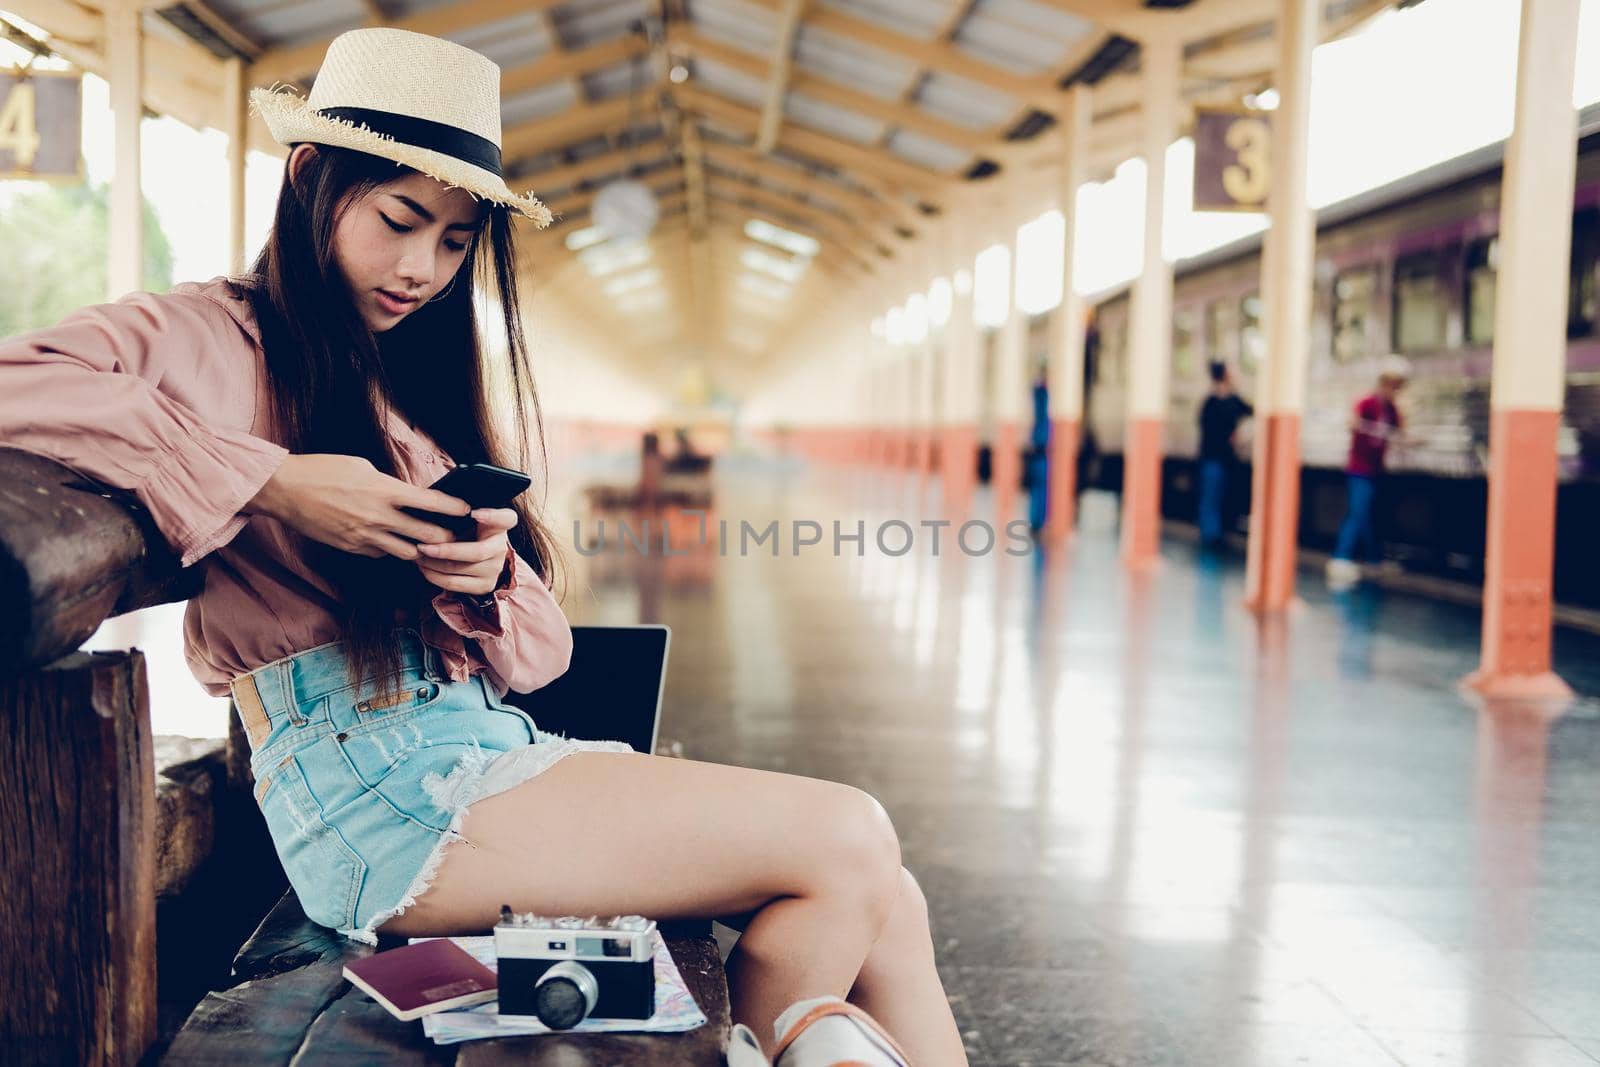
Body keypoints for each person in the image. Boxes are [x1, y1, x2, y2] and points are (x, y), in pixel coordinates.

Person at [0, 29, 965, 1065]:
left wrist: (484, 575)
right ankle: (783, 1038)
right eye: (400, 219)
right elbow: (19, 381)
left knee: (886, 891)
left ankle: (779, 1038)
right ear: (312, 180)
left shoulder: (410, 387)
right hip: (377, 802)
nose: (421, 267)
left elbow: (538, 660)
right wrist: (272, 482)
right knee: (851, 836)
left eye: (456, 241)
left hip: (475, 753)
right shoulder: (207, 334)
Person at [1326, 355, 1411, 590]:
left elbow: (1401, 432)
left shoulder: (1391, 409)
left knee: (1372, 515)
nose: (1395, 390)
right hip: (1359, 469)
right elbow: (1351, 421)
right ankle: (1341, 559)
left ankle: (1374, 560)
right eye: (1393, 384)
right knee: (1358, 512)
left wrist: (1408, 439)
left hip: (1376, 469)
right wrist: (1367, 427)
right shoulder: (1366, 403)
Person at [1195, 360, 1253, 549]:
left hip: (1225, 458)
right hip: (1214, 458)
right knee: (1212, 497)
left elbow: (1252, 410)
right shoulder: (1213, 403)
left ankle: (1216, 532)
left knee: (1217, 496)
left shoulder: (1226, 401)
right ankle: (1211, 535)